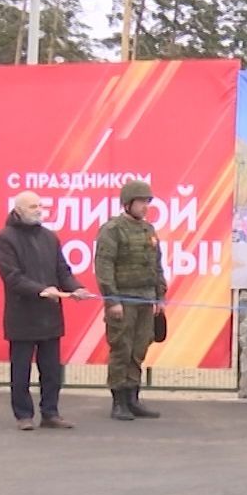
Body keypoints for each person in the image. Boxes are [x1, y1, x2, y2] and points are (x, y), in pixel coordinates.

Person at [0, 191, 91, 430]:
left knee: (51, 371)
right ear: (18, 210)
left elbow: (62, 271)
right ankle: (24, 415)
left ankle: (50, 413)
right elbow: (12, 277)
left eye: (40, 206)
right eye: (32, 206)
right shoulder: (4, 238)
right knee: (21, 370)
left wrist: (76, 289)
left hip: (50, 316)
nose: (38, 210)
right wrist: (40, 290)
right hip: (22, 316)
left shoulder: (50, 237)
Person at [95, 179, 167, 421]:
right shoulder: (112, 229)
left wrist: (160, 296)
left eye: (147, 202)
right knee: (121, 349)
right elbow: (104, 266)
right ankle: (118, 402)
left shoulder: (149, 230)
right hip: (123, 300)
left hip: (146, 299)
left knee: (139, 349)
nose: (145, 206)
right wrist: (112, 299)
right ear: (127, 204)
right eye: (140, 202)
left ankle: (133, 398)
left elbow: (157, 266)